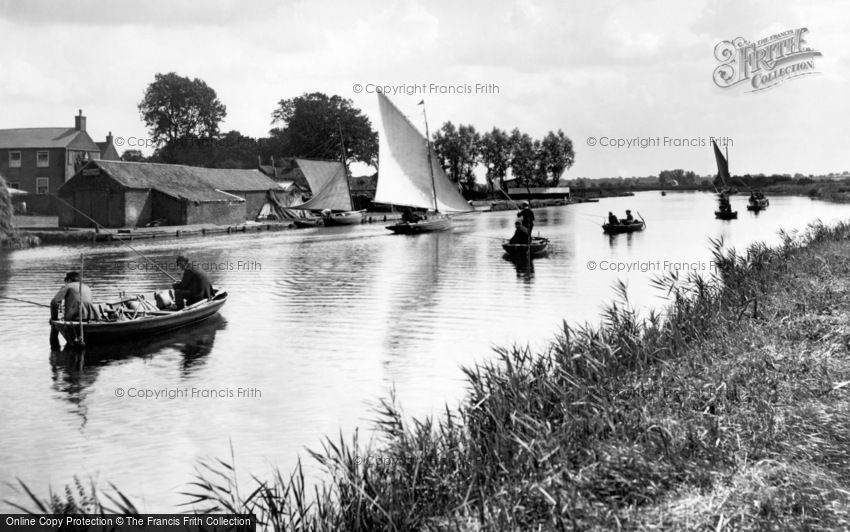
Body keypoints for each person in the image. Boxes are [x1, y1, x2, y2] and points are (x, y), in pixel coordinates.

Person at [49, 271, 97, 349]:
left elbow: (54, 302)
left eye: (66, 281)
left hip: (75, 316)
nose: (65, 283)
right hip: (91, 316)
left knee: (55, 320)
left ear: (69, 280)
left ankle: (55, 347)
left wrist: (54, 319)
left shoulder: (68, 286)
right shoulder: (86, 287)